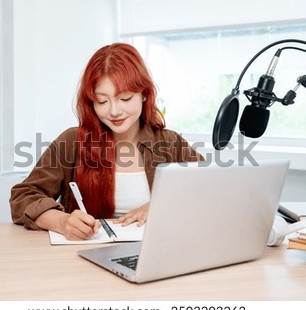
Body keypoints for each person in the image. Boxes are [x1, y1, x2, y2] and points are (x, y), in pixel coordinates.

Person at [10, 43, 204, 240]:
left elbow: (209, 188)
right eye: (102, 101)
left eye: (125, 98)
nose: (114, 111)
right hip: (84, 256)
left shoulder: (170, 143)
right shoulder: (72, 142)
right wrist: (62, 222)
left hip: (157, 252)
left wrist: (160, 205)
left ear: (144, 94)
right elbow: (23, 196)